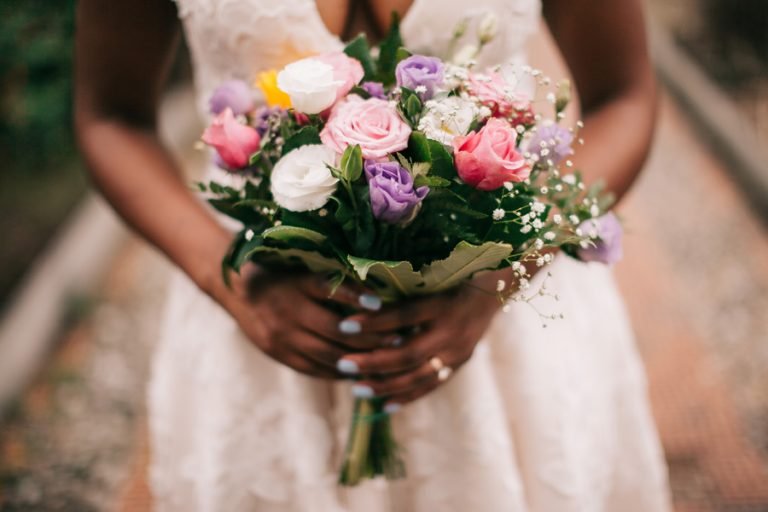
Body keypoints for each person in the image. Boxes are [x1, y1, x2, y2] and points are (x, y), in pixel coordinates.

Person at [74, 0, 671, 510]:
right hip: (262, 335)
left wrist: (499, 276)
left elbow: (625, 95)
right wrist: (229, 278)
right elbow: (110, 115)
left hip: (505, 346)